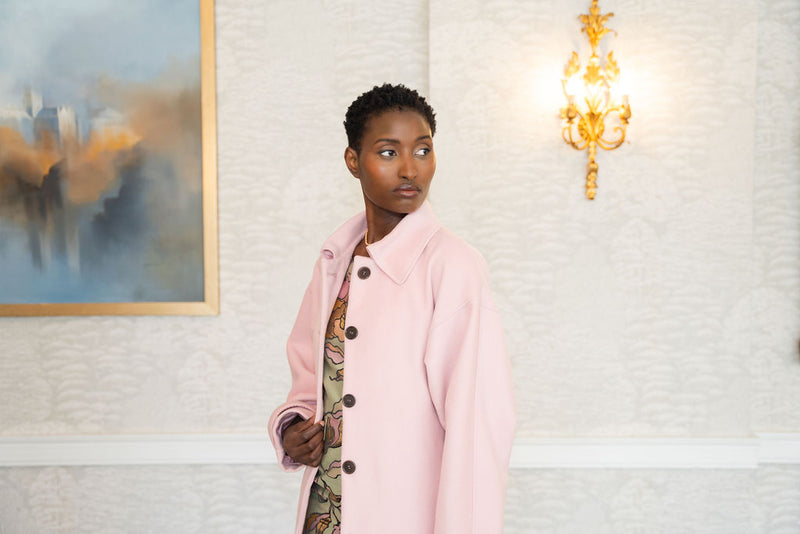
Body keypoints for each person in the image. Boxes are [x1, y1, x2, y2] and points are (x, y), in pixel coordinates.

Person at [268, 83, 515, 534]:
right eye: (388, 152)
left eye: (423, 151)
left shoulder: (453, 265)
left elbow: (478, 427)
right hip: (324, 518)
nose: (409, 169)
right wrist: (292, 429)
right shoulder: (335, 262)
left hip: (405, 517)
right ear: (353, 161)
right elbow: (310, 383)